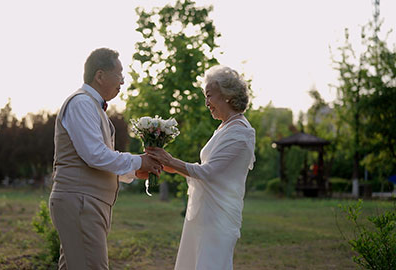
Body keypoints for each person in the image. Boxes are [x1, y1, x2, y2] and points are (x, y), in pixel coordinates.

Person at [49, 47, 161, 270]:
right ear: (100, 75)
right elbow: (95, 155)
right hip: (81, 201)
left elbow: (94, 159)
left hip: (86, 202)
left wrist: (133, 172)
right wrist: (139, 161)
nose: (123, 81)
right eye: (119, 74)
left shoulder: (91, 106)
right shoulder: (81, 103)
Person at [146, 65, 256, 270]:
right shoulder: (225, 127)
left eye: (209, 96)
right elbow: (206, 168)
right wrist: (171, 166)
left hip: (218, 217)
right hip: (204, 214)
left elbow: (208, 173)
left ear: (227, 96)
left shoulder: (240, 133)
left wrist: (170, 160)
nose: (206, 103)